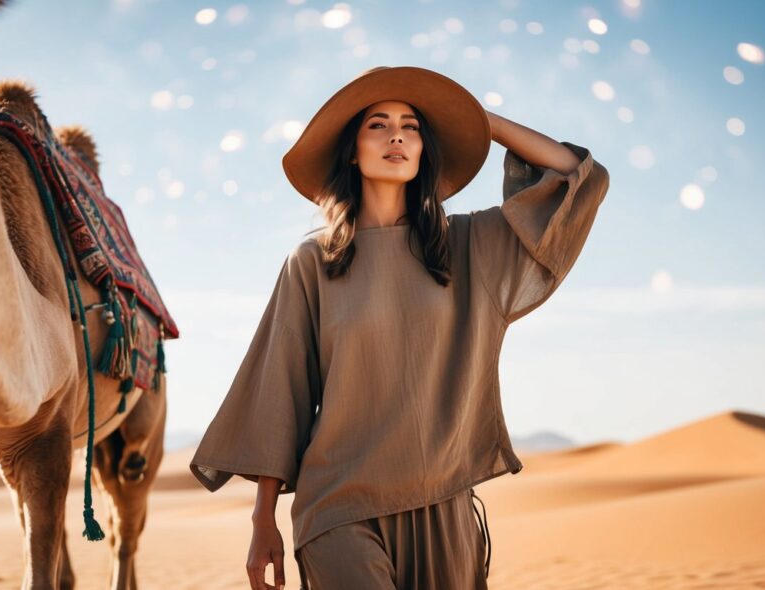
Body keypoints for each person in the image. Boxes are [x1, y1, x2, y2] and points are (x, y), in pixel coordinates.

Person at [190, 65, 610, 590]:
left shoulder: (469, 246)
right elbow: (280, 391)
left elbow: (577, 177)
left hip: (442, 504)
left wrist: (480, 121)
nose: (396, 135)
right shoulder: (312, 262)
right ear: (351, 150)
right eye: (378, 125)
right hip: (337, 508)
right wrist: (262, 520)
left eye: (411, 126)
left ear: (424, 148)